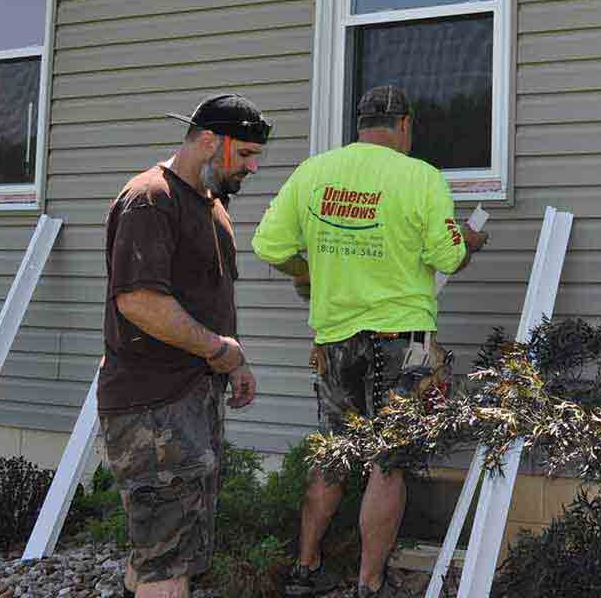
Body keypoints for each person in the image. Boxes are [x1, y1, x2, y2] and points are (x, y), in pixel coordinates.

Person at [252, 84, 488, 598]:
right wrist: (467, 242)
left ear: (359, 126)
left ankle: (307, 568)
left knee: (333, 455)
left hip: (335, 342)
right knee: (387, 465)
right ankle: (369, 583)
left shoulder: (315, 172)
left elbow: (268, 244)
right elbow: (447, 258)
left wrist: (311, 274)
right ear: (405, 126)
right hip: (400, 345)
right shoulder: (420, 177)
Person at [97, 94, 271, 598]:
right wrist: (220, 350)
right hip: (153, 406)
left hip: (192, 397)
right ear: (209, 141)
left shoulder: (212, 206)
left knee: (168, 554)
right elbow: (139, 301)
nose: (253, 166)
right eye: (245, 154)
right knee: (166, 565)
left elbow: (207, 300)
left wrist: (233, 364)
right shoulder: (151, 199)